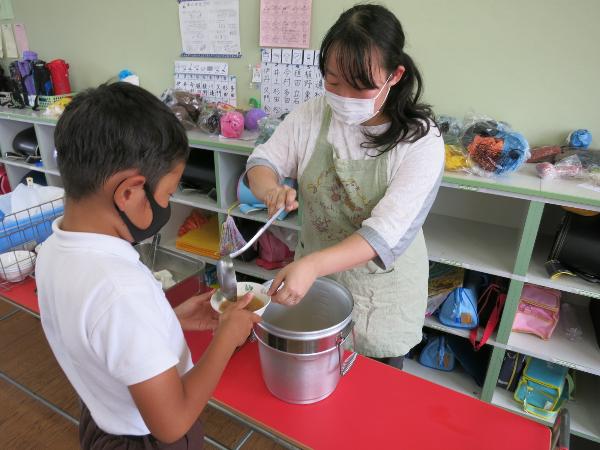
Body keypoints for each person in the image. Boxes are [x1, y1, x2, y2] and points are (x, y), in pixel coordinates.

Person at [37, 82, 260, 448]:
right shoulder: (120, 290)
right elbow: (171, 424)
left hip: (100, 420)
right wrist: (226, 338)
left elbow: (101, 336)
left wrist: (167, 318)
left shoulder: (52, 250)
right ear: (128, 192)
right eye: (168, 194)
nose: (168, 204)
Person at [246, 4, 444, 368]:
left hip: (381, 296)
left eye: (361, 86)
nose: (344, 98)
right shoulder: (310, 115)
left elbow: (385, 234)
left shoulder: (421, 141)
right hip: (313, 283)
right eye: (334, 82)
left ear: (394, 75)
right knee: (315, 380)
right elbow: (262, 163)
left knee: (372, 402)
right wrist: (269, 188)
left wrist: (312, 266)